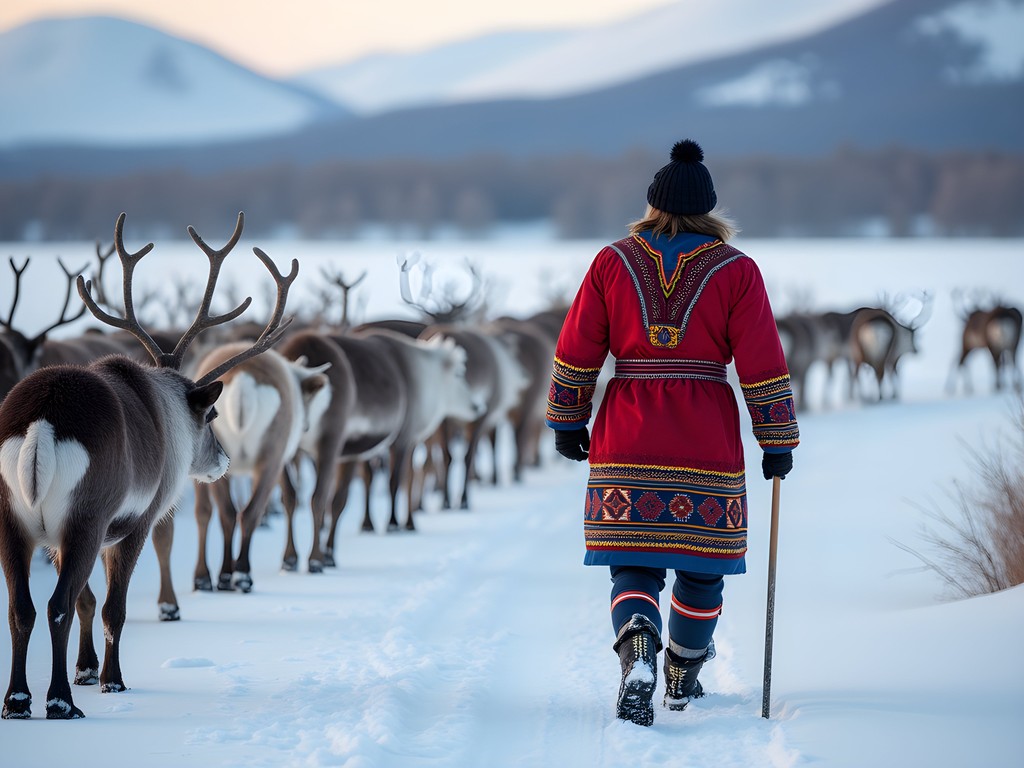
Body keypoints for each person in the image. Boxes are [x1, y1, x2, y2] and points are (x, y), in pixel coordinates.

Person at [545, 139, 799, 726]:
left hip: (627, 428)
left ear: (651, 204)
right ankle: (682, 671)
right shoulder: (736, 270)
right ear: (711, 209)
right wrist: (776, 438)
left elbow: (578, 345)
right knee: (701, 562)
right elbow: (762, 359)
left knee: (633, 561)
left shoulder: (612, 261)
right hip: (704, 433)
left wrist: (567, 419)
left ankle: (638, 648)